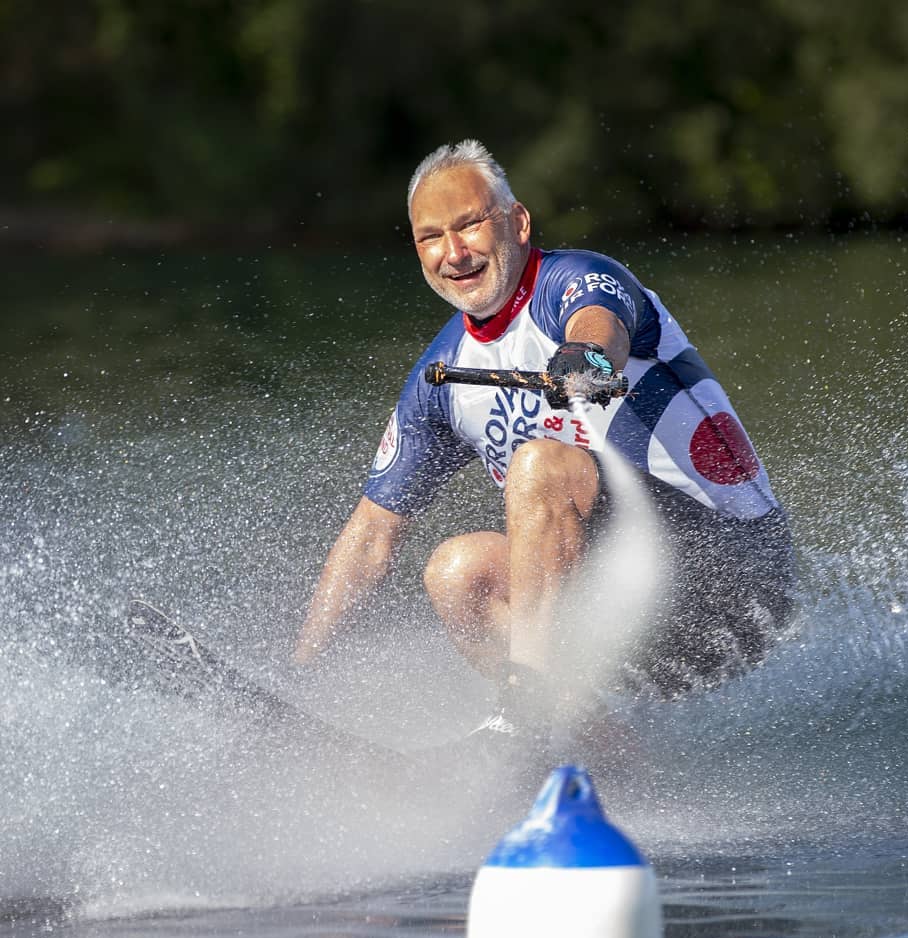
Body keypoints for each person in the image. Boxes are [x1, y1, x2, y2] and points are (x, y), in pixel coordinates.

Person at [295, 139, 795, 743]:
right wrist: (302, 680)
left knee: (540, 465)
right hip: (636, 634)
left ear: (517, 221)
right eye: (431, 237)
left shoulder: (581, 281)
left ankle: (522, 711)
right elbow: (370, 538)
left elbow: (600, 337)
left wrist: (581, 365)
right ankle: (602, 758)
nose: (454, 253)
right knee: (456, 572)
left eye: (471, 224)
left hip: (738, 581)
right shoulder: (442, 375)